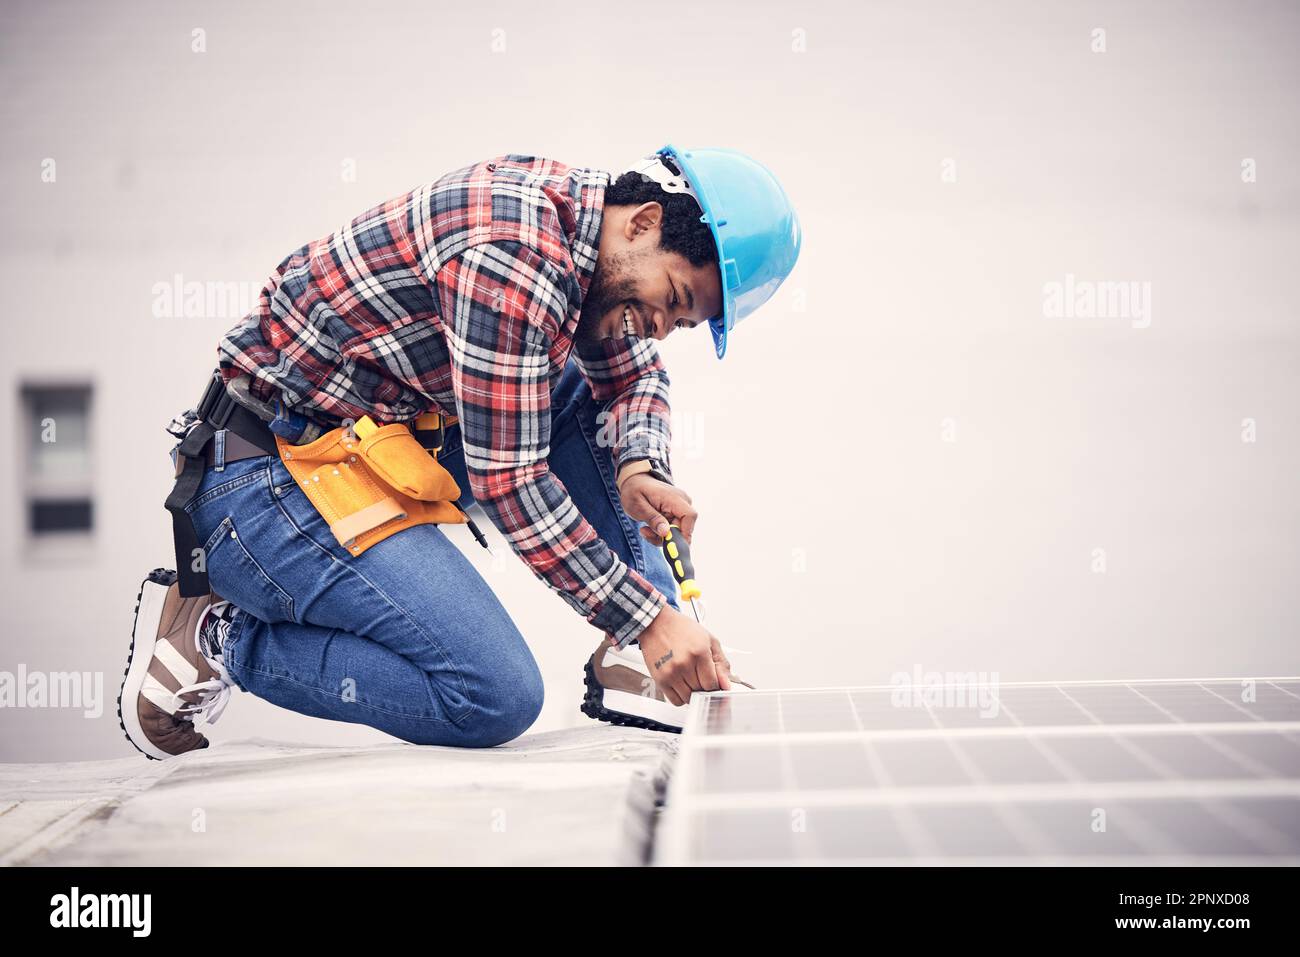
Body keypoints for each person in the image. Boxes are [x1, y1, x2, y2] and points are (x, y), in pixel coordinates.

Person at [119, 146, 800, 759]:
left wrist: (638, 466)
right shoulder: (514, 254)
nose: (658, 327)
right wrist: (649, 614)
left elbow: (634, 374)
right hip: (264, 477)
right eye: (672, 300)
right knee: (493, 695)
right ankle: (220, 631)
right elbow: (509, 481)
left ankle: (638, 653)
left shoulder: (594, 240)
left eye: (679, 324)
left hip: (371, 444)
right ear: (645, 222)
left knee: (580, 388)